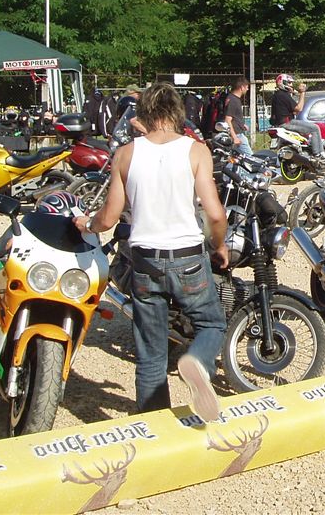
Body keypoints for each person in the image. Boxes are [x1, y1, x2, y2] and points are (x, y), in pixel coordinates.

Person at [75, 83, 229, 422]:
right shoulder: (196, 150)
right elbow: (216, 215)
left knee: (150, 352)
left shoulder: (126, 154)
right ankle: (198, 362)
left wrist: (86, 224)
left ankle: (155, 426)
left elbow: (109, 218)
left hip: (144, 260)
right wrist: (219, 245)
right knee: (211, 322)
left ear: (143, 112)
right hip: (188, 256)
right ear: (177, 111)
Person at [270, 73, 321, 156]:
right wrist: (302, 93)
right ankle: (318, 154)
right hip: (287, 123)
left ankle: (307, 150)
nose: (291, 85)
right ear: (282, 82)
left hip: (279, 123)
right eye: (289, 82)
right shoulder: (283, 95)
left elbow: (293, 111)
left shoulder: (277, 94)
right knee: (315, 128)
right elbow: (299, 108)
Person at [224, 77, 252, 157]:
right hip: (237, 135)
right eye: (247, 87)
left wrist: (242, 125)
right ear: (242, 87)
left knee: (236, 159)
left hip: (238, 132)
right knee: (251, 158)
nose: (247, 89)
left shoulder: (234, 99)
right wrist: (235, 137)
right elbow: (228, 120)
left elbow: (234, 117)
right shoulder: (233, 100)